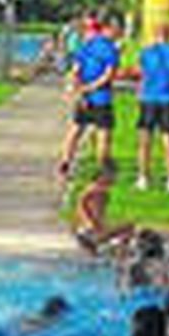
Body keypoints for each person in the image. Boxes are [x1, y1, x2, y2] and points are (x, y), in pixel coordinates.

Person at [57, 13, 120, 180]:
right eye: (115, 28)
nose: (117, 32)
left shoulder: (86, 46)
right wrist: (90, 88)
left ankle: (65, 163)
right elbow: (108, 75)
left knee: (76, 130)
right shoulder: (110, 49)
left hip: (85, 97)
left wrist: (79, 90)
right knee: (103, 133)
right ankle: (102, 168)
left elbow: (75, 70)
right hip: (101, 97)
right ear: (106, 29)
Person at [136, 22, 169, 193]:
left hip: (148, 98)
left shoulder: (147, 52)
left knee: (145, 140)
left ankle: (143, 177)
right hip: (167, 99)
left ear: (155, 34)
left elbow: (142, 74)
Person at [74, 160, 137, 263]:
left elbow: (98, 212)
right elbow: (81, 204)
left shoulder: (103, 191)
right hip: (88, 231)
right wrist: (89, 221)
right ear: (103, 176)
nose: (114, 179)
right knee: (128, 228)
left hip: (97, 230)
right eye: (112, 176)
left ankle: (113, 251)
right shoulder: (94, 188)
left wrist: (103, 224)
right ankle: (114, 252)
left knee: (128, 228)